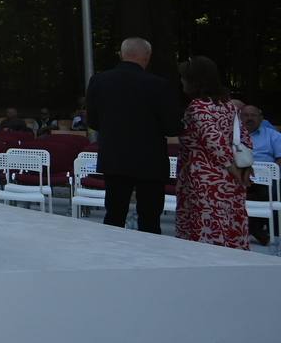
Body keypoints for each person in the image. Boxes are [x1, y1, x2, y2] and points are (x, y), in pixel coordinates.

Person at [85, 37, 183, 233]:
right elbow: (172, 127)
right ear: (147, 56)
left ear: (122, 54)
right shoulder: (159, 85)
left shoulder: (99, 81)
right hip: (150, 160)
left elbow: (93, 122)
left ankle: (112, 249)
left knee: (114, 215)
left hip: (115, 157)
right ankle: (149, 250)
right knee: (150, 219)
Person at [173, 56, 249, 250]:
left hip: (204, 177)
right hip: (231, 178)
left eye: (184, 77)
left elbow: (213, 140)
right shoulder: (229, 105)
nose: (181, 81)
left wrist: (231, 167)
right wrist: (243, 167)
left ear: (194, 80)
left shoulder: (198, 107)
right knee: (230, 221)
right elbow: (244, 137)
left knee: (207, 225)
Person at [241, 102, 280, 244]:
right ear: (240, 118)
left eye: (253, 115)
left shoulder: (273, 135)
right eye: (246, 115)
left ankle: (258, 228)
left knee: (270, 192)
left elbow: (280, 158)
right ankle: (255, 228)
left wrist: (271, 174)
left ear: (261, 118)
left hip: (267, 179)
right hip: (240, 176)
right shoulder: (233, 135)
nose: (249, 118)